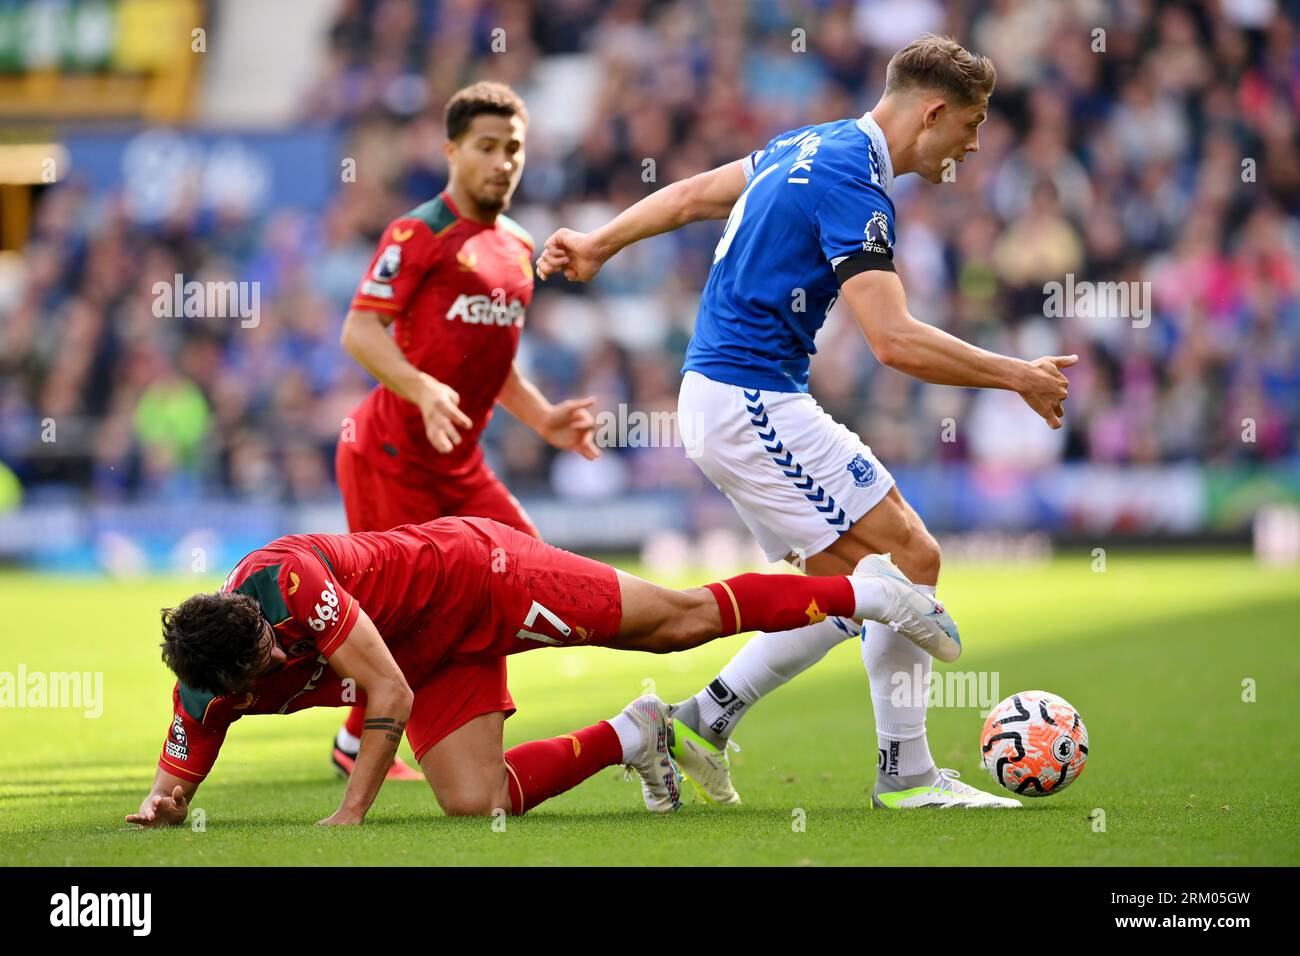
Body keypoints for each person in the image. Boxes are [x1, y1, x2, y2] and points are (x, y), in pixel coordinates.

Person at [537, 34, 1075, 810]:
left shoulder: (810, 143)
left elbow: (691, 196)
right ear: (932, 112)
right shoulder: (854, 185)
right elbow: (892, 341)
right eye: (974, 120)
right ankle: (907, 775)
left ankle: (696, 724)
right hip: (749, 398)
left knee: (865, 580)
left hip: (740, 395)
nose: (976, 140)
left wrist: (598, 241)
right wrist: (1015, 373)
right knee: (901, 565)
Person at [127, 515, 949, 826]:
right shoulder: (203, 691)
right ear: (225, 692)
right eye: (263, 663)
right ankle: (639, 733)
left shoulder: (286, 584)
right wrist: (162, 809)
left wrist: (349, 815)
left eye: (273, 642)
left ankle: (864, 590)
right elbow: (169, 785)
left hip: (479, 577)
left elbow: (387, 693)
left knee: (676, 624)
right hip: (427, 653)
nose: (280, 650)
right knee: (474, 803)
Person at [332, 81, 599, 780]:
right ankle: (365, 737)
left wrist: (543, 417)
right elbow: (360, 329)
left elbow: (492, 358)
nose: (503, 162)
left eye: (514, 148)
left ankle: (391, 727)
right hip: (387, 452)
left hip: (460, 461)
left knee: (531, 569)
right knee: (393, 610)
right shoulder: (417, 232)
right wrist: (418, 386)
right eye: (486, 147)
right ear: (452, 150)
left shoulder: (518, 248)